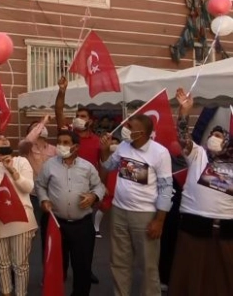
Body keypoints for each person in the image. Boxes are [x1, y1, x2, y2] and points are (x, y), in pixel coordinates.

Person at [167, 89, 233, 295]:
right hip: (193, 228)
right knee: (190, 280)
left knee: (222, 282)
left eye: (219, 135)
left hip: (226, 232)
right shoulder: (197, 155)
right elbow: (182, 135)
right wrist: (184, 111)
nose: (214, 137)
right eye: (212, 134)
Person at [100, 114, 173, 296]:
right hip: (119, 211)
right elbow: (109, 166)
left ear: (142, 133)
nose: (125, 129)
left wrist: (159, 220)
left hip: (145, 215)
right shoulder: (124, 146)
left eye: (130, 127)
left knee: (148, 265)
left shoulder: (160, 153)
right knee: (119, 262)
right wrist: (105, 150)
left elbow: (166, 189)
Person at [37, 130, 105, 296]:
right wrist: (44, 200)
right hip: (55, 223)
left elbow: (99, 186)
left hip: (81, 226)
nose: (61, 145)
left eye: (66, 142)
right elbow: (40, 185)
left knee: (82, 267)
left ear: (76, 147)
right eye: (59, 141)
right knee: (55, 266)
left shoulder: (87, 167)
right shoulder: (49, 165)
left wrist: (93, 196)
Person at [0, 135, 37, 296]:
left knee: (20, 264)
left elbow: (28, 187)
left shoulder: (22, 162)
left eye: (6, 139)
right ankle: (5, 293)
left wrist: (12, 170)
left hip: (22, 219)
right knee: (2, 263)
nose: (3, 140)